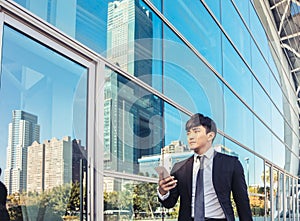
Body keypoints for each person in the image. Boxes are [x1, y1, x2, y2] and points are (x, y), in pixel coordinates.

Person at [158, 113, 252, 221]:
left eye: (196, 131)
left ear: (210, 135)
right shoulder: (179, 168)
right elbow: (169, 203)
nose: (190, 137)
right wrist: (163, 192)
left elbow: (242, 202)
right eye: (188, 133)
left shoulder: (231, 164)